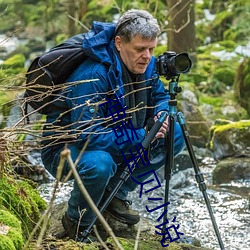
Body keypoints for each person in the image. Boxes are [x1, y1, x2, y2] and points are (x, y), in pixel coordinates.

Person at [41, 9, 185, 241]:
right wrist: (142, 135)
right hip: (66, 149)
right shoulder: (93, 74)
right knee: (100, 164)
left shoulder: (145, 64)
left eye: (151, 49)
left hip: (119, 137)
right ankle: (76, 221)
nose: (147, 56)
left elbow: (159, 96)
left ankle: (115, 194)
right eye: (140, 49)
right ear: (119, 43)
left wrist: (161, 114)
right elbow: (87, 134)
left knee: (175, 132)